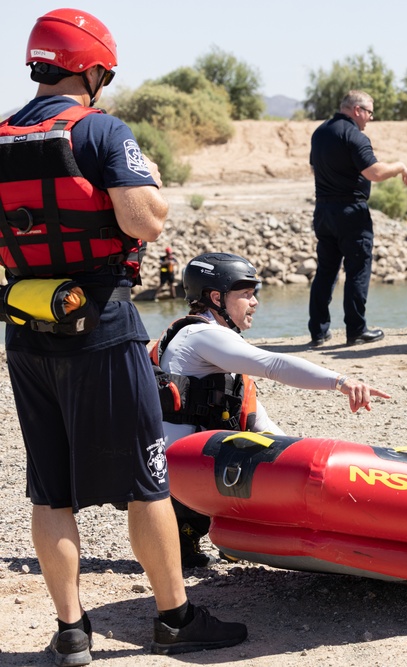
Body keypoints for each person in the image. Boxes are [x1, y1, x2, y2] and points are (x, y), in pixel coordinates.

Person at [0, 9, 246, 664]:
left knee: (50, 488)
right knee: (147, 481)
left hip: (26, 329)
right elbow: (142, 221)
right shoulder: (102, 130)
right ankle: (173, 616)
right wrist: (156, 192)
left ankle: (72, 632)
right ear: (93, 69)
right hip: (102, 327)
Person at [153, 252, 390, 566]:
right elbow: (274, 364)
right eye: (247, 295)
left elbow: (259, 423)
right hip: (180, 479)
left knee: (267, 447)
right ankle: (208, 532)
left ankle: (222, 535)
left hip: (185, 475)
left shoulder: (205, 339)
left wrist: (302, 458)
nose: (255, 303)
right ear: (216, 297)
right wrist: (341, 381)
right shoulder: (201, 336)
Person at [307, 90, 407, 347]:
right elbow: (374, 172)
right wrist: (398, 166)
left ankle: (319, 332)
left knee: (326, 272)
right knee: (357, 271)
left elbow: (313, 167)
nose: (371, 119)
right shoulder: (354, 135)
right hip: (351, 212)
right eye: (370, 112)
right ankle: (356, 330)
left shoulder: (320, 132)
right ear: (357, 110)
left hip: (323, 210)